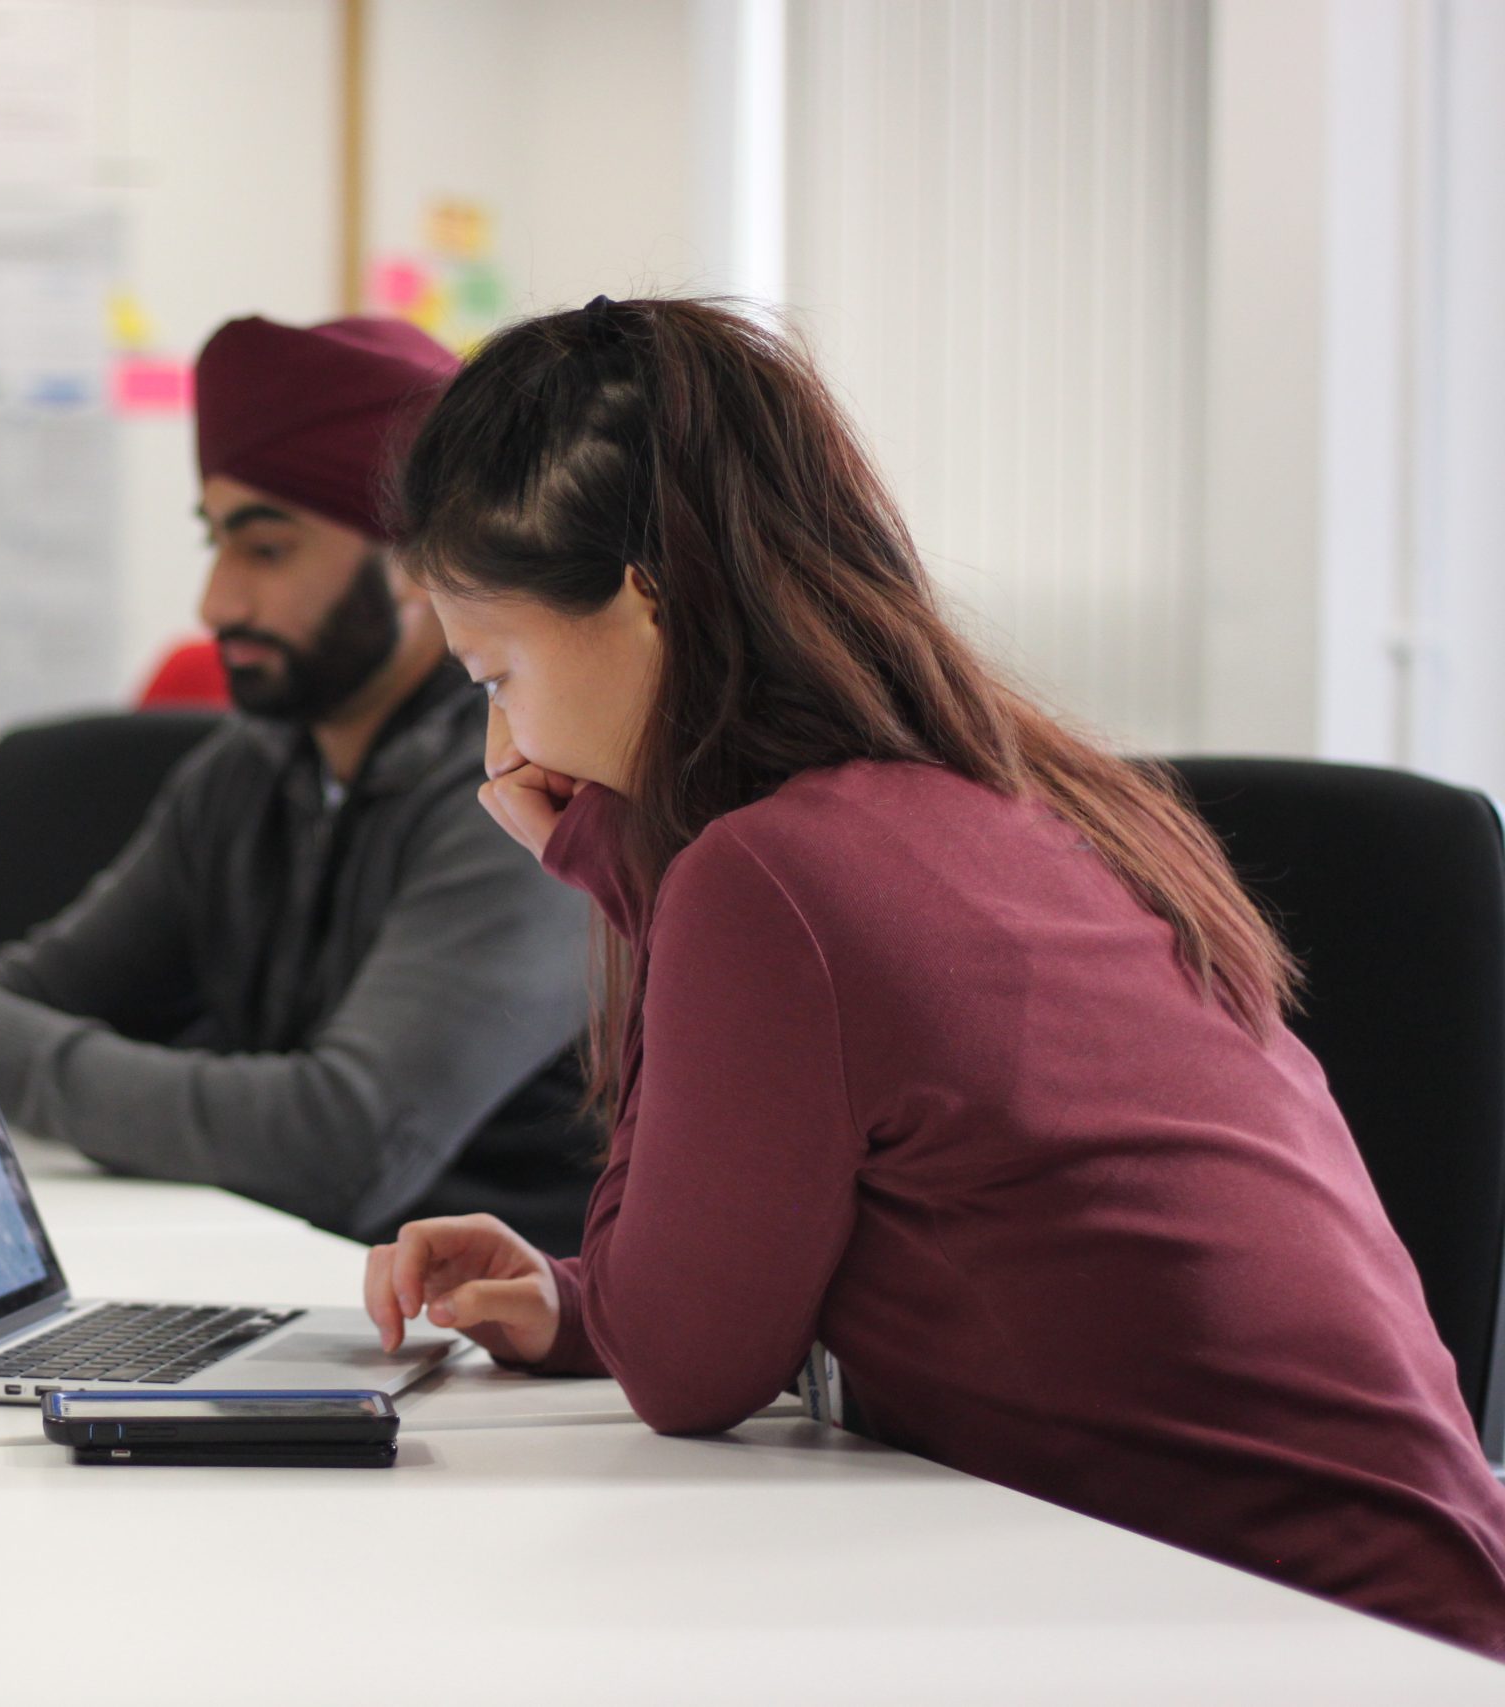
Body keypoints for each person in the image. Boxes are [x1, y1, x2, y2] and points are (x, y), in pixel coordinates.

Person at [360, 294, 1505, 1657]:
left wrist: (622, 867)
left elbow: (689, 1370)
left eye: (497, 671)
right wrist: (576, 1298)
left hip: (1303, 1639)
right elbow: (746, 1276)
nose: (501, 738)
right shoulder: (1022, 797)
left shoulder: (767, 877)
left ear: (646, 594)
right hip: (1391, 1594)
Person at [0, 313, 603, 1253]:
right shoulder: (252, 769)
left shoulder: (517, 795)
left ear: (412, 561)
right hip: (282, 1283)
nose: (216, 602)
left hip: (489, 1368)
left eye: (265, 549)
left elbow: (346, 1143)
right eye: (217, 544)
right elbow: (51, 991)